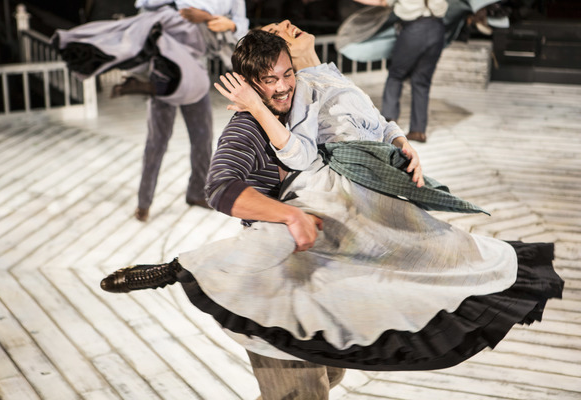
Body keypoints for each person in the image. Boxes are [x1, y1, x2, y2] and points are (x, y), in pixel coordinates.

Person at [100, 25, 563, 399]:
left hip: (329, 249)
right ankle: (172, 270)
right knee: (297, 387)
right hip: (281, 276)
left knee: (404, 266)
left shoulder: (317, 82)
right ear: (249, 82)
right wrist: (288, 213)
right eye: (269, 79)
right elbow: (222, 188)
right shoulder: (248, 127)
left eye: (286, 74)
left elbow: (371, 122)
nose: (281, 85)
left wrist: (399, 143)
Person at [52, 1, 249, 221]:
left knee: (203, 138)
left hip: (195, 71)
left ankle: (196, 193)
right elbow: (144, 7)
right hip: (165, 66)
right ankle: (144, 202)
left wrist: (221, 21)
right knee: (157, 141)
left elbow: (241, 24)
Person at [352, 0, 448, 143]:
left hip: (414, 29)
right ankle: (418, 131)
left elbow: (382, 1)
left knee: (396, 75)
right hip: (437, 29)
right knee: (421, 81)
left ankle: (389, 124)